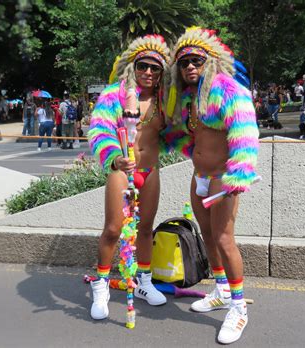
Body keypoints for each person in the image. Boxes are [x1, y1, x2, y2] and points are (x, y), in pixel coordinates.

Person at [166, 27, 259, 345]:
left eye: (196, 60)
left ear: (210, 62)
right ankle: (220, 290)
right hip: (199, 177)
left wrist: (240, 174)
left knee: (224, 239)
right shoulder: (187, 98)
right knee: (208, 237)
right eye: (184, 62)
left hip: (222, 179)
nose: (190, 66)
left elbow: (246, 134)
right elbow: (188, 136)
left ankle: (238, 308)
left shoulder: (228, 90)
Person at [87, 35, 171, 321]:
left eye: (155, 68)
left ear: (161, 74)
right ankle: (101, 287)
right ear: (133, 67)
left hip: (151, 170)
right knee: (113, 229)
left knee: (146, 229)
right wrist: (113, 157)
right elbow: (98, 130)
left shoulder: (166, 100)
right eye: (142, 66)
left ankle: (144, 282)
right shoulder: (114, 94)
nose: (148, 72)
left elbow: (190, 124)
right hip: (122, 170)